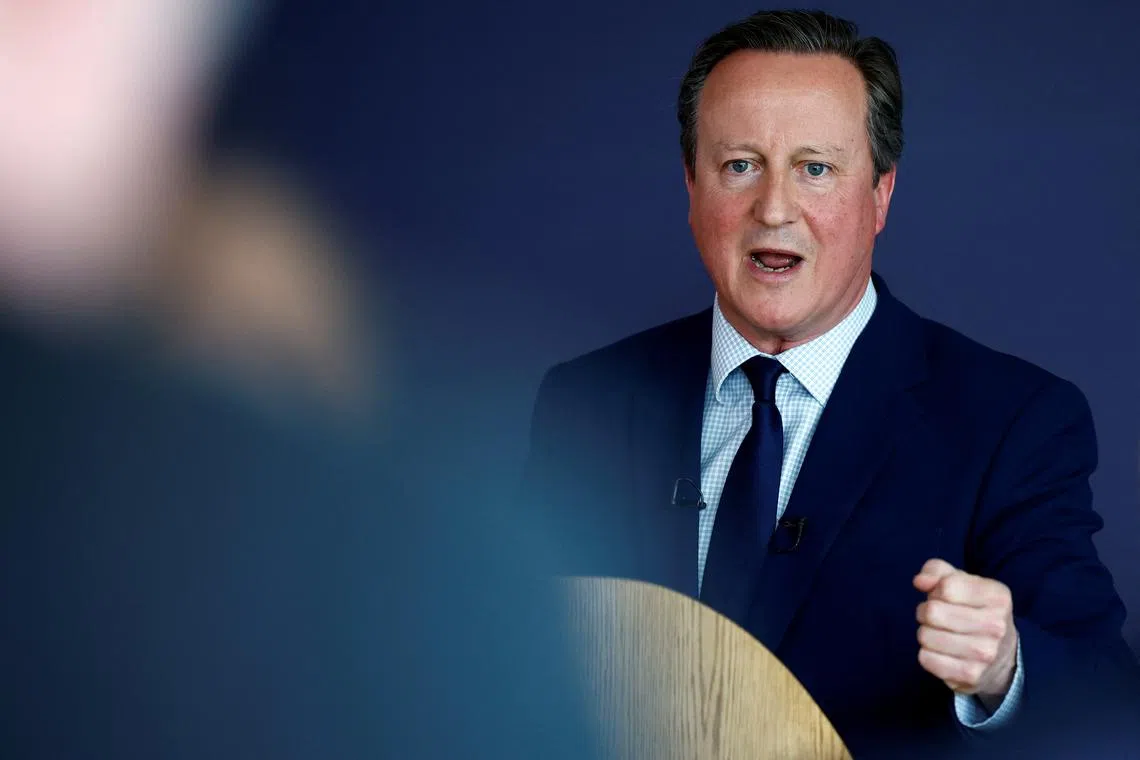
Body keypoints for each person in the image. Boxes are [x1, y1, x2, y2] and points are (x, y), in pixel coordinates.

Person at [521, 9, 1140, 758]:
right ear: (691, 185)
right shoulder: (584, 401)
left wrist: (1005, 668)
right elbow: (512, 667)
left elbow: (1105, 694)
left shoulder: (1014, 421)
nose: (774, 209)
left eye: (815, 168)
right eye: (739, 165)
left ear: (880, 193)